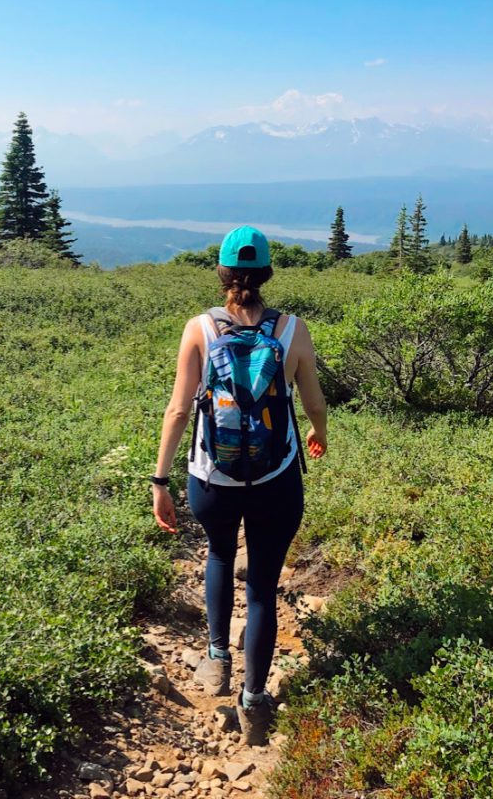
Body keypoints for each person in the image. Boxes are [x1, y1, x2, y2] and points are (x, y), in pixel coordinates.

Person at [151, 225, 327, 746]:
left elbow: (179, 409)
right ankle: (254, 700)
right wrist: (319, 433)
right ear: (268, 274)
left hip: (212, 476)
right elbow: (313, 402)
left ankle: (216, 657)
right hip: (276, 477)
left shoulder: (199, 329)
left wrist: (160, 479)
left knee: (221, 556)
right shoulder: (293, 329)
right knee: (263, 587)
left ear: (223, 275)